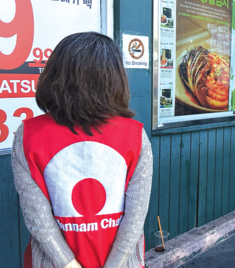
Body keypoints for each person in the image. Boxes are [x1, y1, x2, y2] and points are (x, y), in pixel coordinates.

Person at [12, 32, 153, 268]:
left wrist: (68, 264)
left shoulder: (28, 135)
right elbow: (135, 217)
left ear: (55, 74)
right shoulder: (135, 135)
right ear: (113, 79)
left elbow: (38, 220)